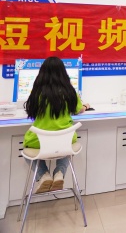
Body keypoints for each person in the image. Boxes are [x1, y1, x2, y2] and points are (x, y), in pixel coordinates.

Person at [23, 57, 91, 193]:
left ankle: (44, 175)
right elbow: (78, 110)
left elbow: (31, 111)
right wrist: (85, 106)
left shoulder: (37, 93)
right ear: (63, 73)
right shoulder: (69, 92)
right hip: (65, 140)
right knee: (66, 149)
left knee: (27, 152)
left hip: (38, 141)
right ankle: (59, 173)